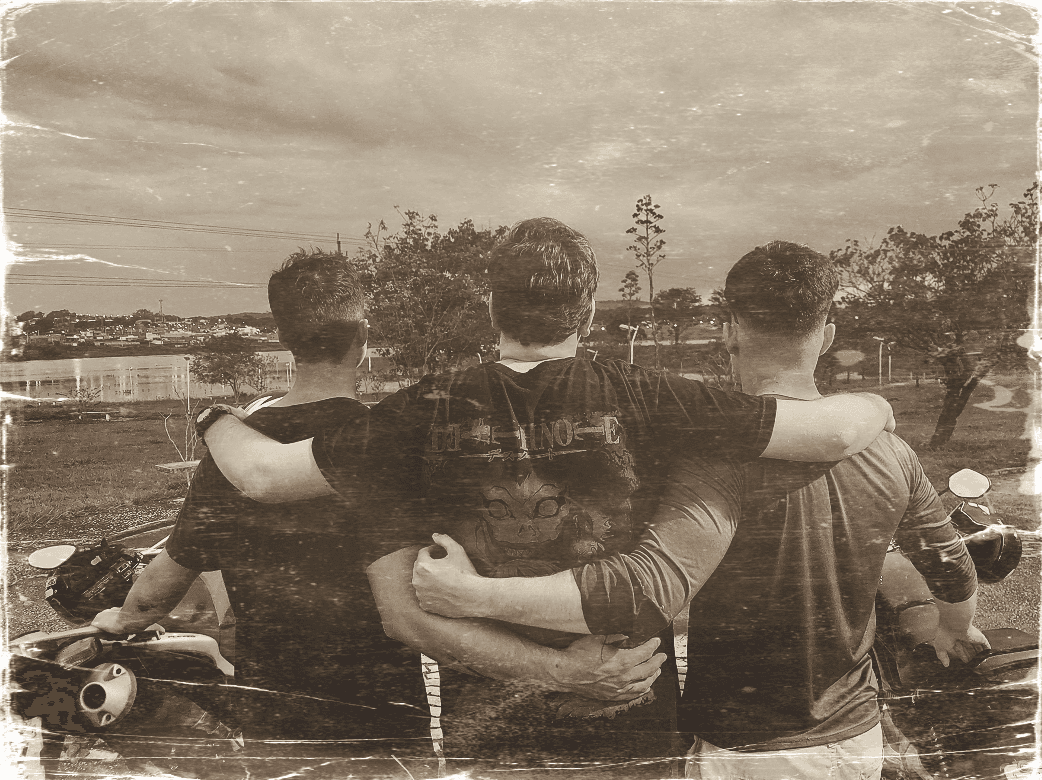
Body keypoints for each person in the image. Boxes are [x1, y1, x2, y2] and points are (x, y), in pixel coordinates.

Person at [198, 220, 896, 775]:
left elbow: (262, 475)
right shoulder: (651, 397)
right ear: (587, 311)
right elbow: (832, 434)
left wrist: (213, 419)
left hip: (490, 737)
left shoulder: (420, 411)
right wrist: (879, 405)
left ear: (491, 307)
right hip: (630, 722)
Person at [413, 240, 986, 780]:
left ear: (730, 330)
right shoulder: (892, 451)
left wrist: (472, 596)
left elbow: (652, 586)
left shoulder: (712, 459)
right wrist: (954, 630)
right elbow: (952, 566)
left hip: (747, 746)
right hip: (857, 737)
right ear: (828, 335)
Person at [93, 250, 436, 777]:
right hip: (384, 712)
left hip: (276, 714)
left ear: (283, 339)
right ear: (362, 338)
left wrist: (123, 618)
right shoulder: (388, 446)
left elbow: (164, 581)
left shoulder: (233, 453)